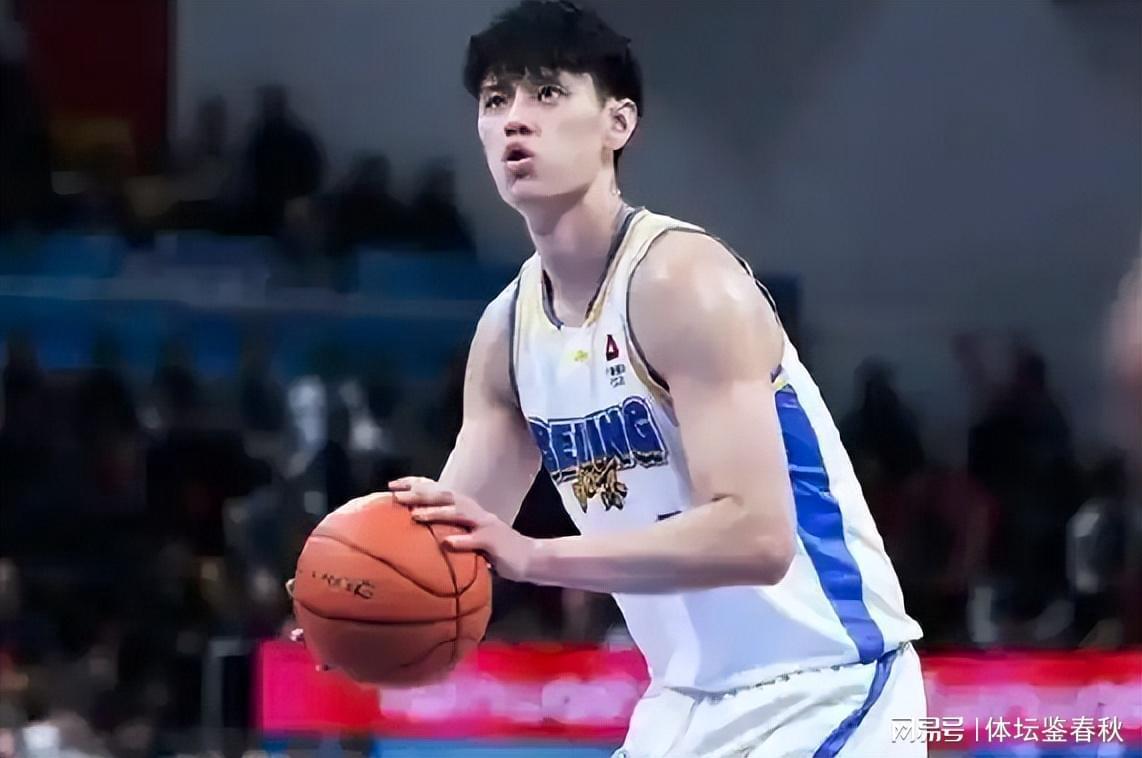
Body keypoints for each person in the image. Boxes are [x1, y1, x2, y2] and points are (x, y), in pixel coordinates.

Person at [291, 2, 923, 756]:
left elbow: (756, 535)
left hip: (828, 684)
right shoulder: (507, 333)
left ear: (617, 123)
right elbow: (454, 546)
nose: (515, 119)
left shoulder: (684, 281)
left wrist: (536, 556)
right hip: (681, 701)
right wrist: (351, 601)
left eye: (546, 93)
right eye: (496, 100)